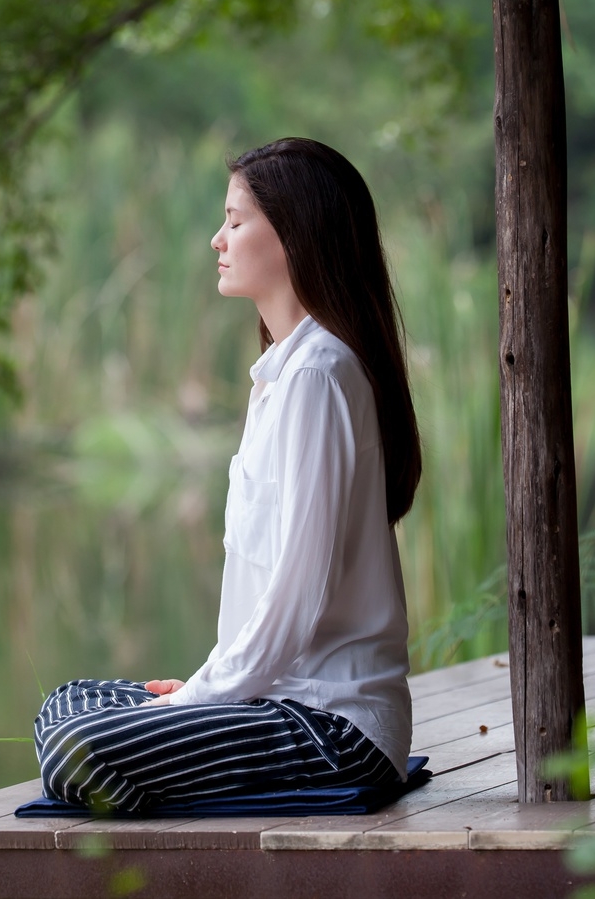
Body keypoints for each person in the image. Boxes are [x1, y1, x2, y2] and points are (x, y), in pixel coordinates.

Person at [33, 137, 423, 812]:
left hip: (332, 728)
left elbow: (295, 600)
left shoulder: (318, 376)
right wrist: (202, 686)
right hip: (273, 702)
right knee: (68, 701)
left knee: (78, 744)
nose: (217, 238)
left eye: (235, 220)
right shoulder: (278, 374)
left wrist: (198, 698)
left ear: (295, 235)